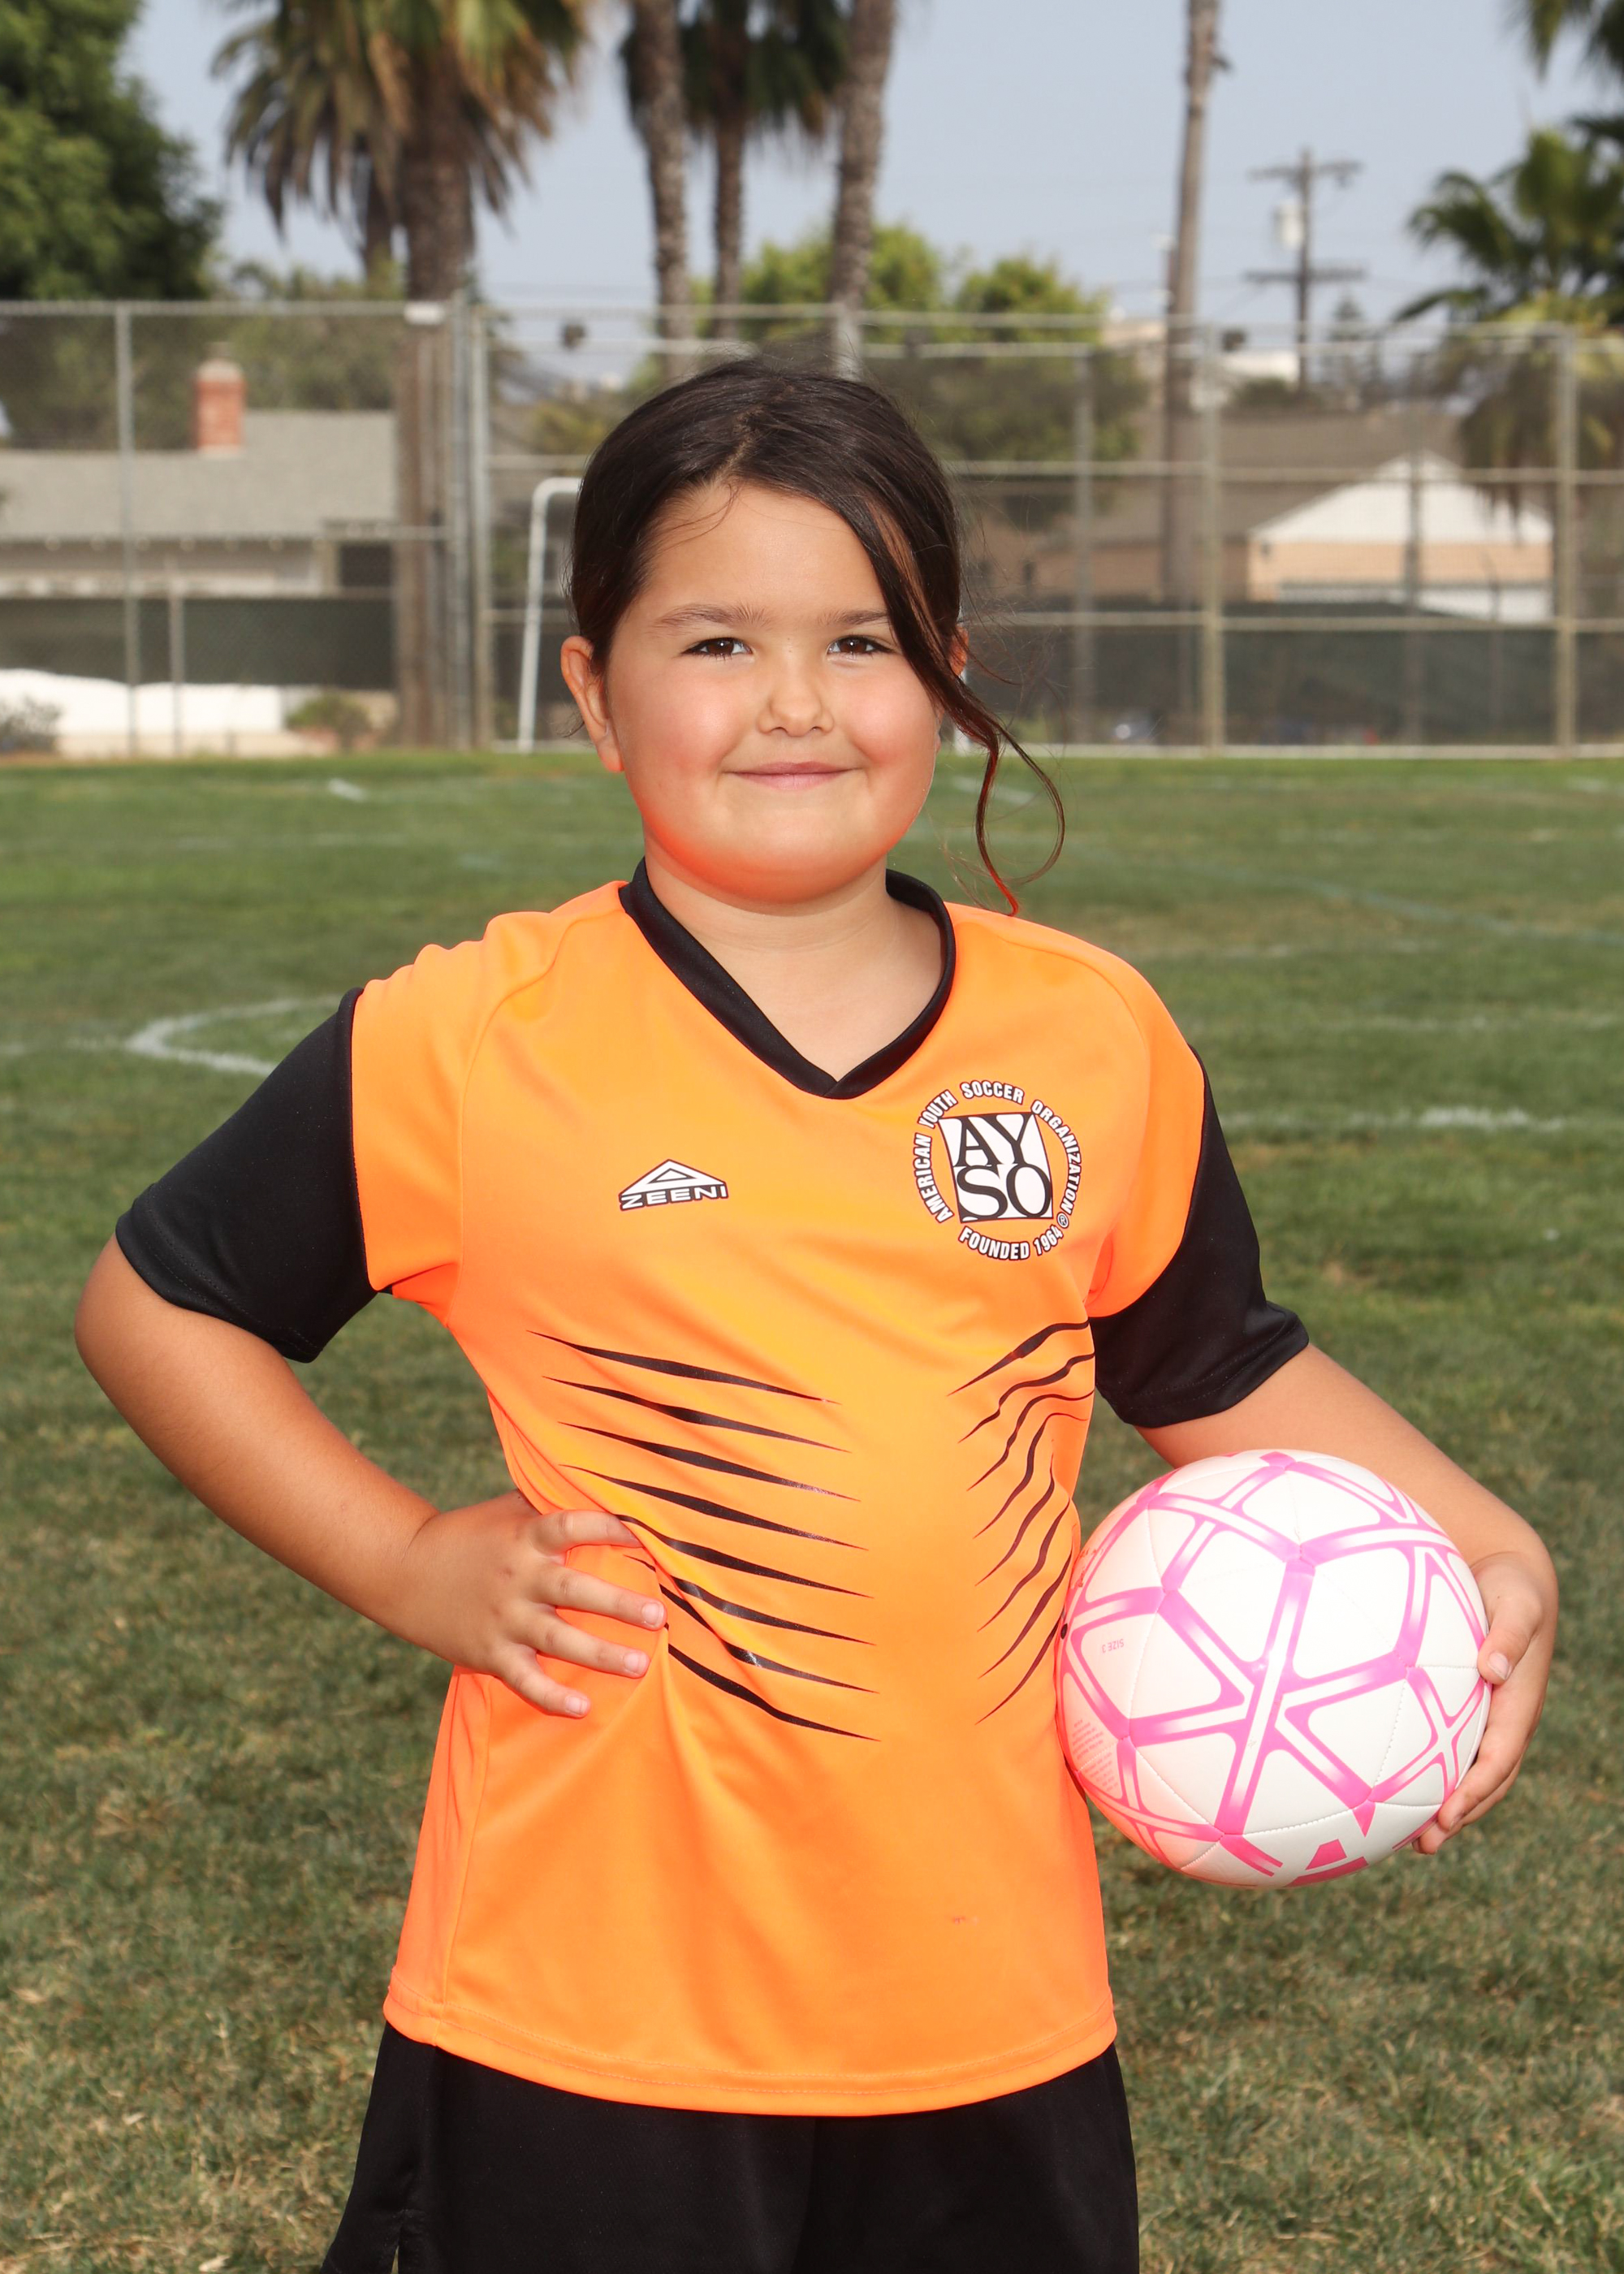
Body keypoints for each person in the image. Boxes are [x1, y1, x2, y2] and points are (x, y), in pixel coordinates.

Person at [75, 361, 1558, 2274]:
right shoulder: (471, 1039)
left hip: (994, 2010)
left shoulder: (1088, 1035)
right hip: (585, 2010)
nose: (794, 699)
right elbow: (161, 1300)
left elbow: (1213, 1357)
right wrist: (408, 1557)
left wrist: (1490, 1540)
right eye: (717, 641)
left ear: (943, 671)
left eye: (859, 639)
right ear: (593, 687)